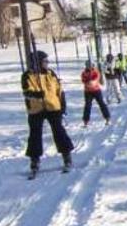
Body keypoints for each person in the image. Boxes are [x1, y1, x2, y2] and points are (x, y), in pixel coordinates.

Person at [22, 49, 74, 177]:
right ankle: (34, 161)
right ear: (38, 62)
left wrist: (63, 104)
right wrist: (36, 94)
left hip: (53, 107)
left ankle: (67, 156)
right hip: (36, 109)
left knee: (59, 131)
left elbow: (59, 90)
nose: (47, 63)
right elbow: (26, 92)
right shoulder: (28, 75)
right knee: (35, 134)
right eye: (45, 61)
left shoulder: (51, 73)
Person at [80, 58, 109, 125]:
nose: (90, 67)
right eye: (88, 65)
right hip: (88, 92)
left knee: (101, 103)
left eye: (91, 65)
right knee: (88, 105)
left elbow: (96, 79)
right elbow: (83, 80)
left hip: (96, 90)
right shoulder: (84, 73)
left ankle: (107, 117)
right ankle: (86, 120)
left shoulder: (96, 72)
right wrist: (88, 82)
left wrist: (91, 81)